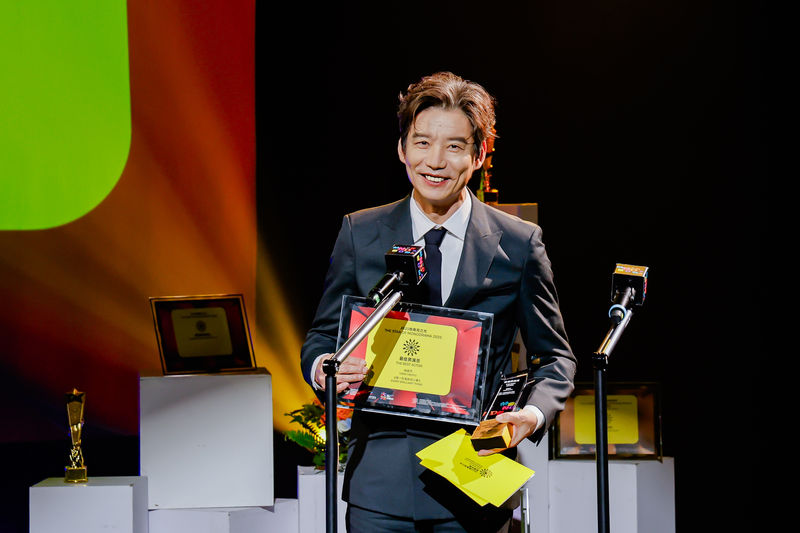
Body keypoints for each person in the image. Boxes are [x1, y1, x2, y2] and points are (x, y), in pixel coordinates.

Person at [300, 71, 576, 533]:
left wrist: (529, 416)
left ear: (479, 154)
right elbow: (323, 336)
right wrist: (324, 367)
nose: (435, 161)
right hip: (379, 486)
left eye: (454, 146)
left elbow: (556, 358)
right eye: (423, 142)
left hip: (474, 477)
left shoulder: (518, 243)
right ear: (402, 148)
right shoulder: (360, 233)